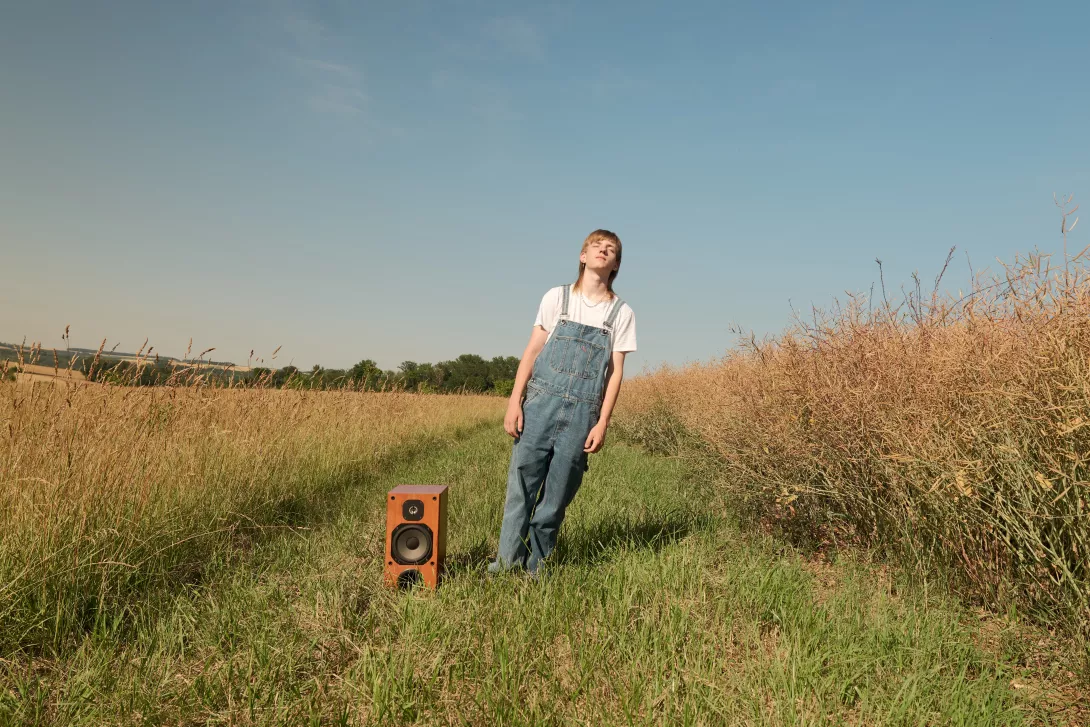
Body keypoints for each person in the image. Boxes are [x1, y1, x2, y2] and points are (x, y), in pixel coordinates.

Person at [489, 229, 637, 576]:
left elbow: (615, 374)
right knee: (521, 489)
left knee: (556, 498)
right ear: (583, 256)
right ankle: (504, 564)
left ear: (616, 264)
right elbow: (532, 351)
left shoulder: (622, 313)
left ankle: (536, 569)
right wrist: (515, 402)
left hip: (583, 415)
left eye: (611, 249)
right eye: (597, 246)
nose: (604, 250)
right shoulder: (557, 298)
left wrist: (602, 422)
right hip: (540, 404)